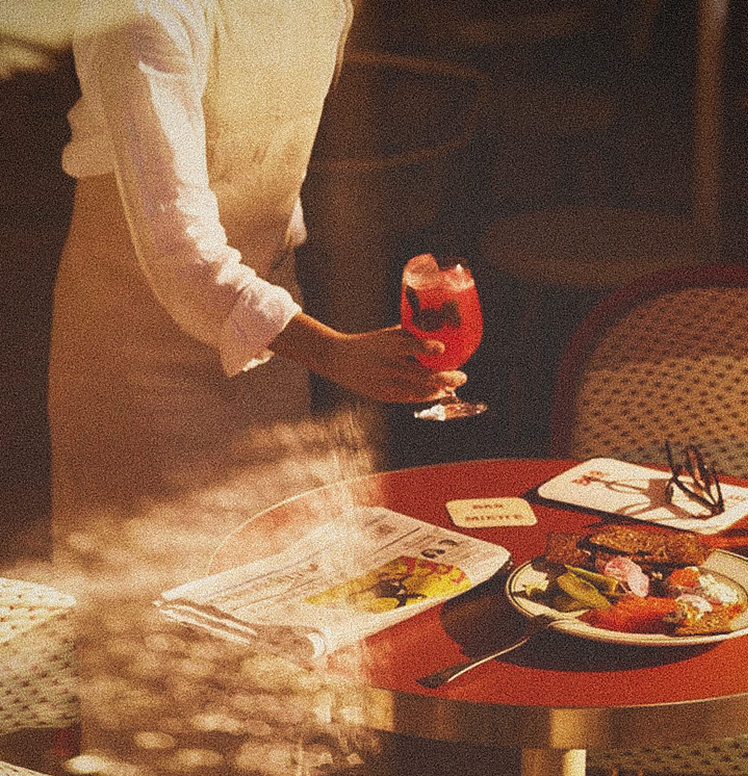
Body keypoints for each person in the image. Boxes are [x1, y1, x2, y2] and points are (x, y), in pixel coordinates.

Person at [49, 0, 466, 553]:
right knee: (155, 576)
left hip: (272, 338)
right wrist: (331, 351)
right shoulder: (145, 13)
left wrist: (297, 317)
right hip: (137, 347)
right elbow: (179, 244)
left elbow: (273, 165)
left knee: (274, 561)